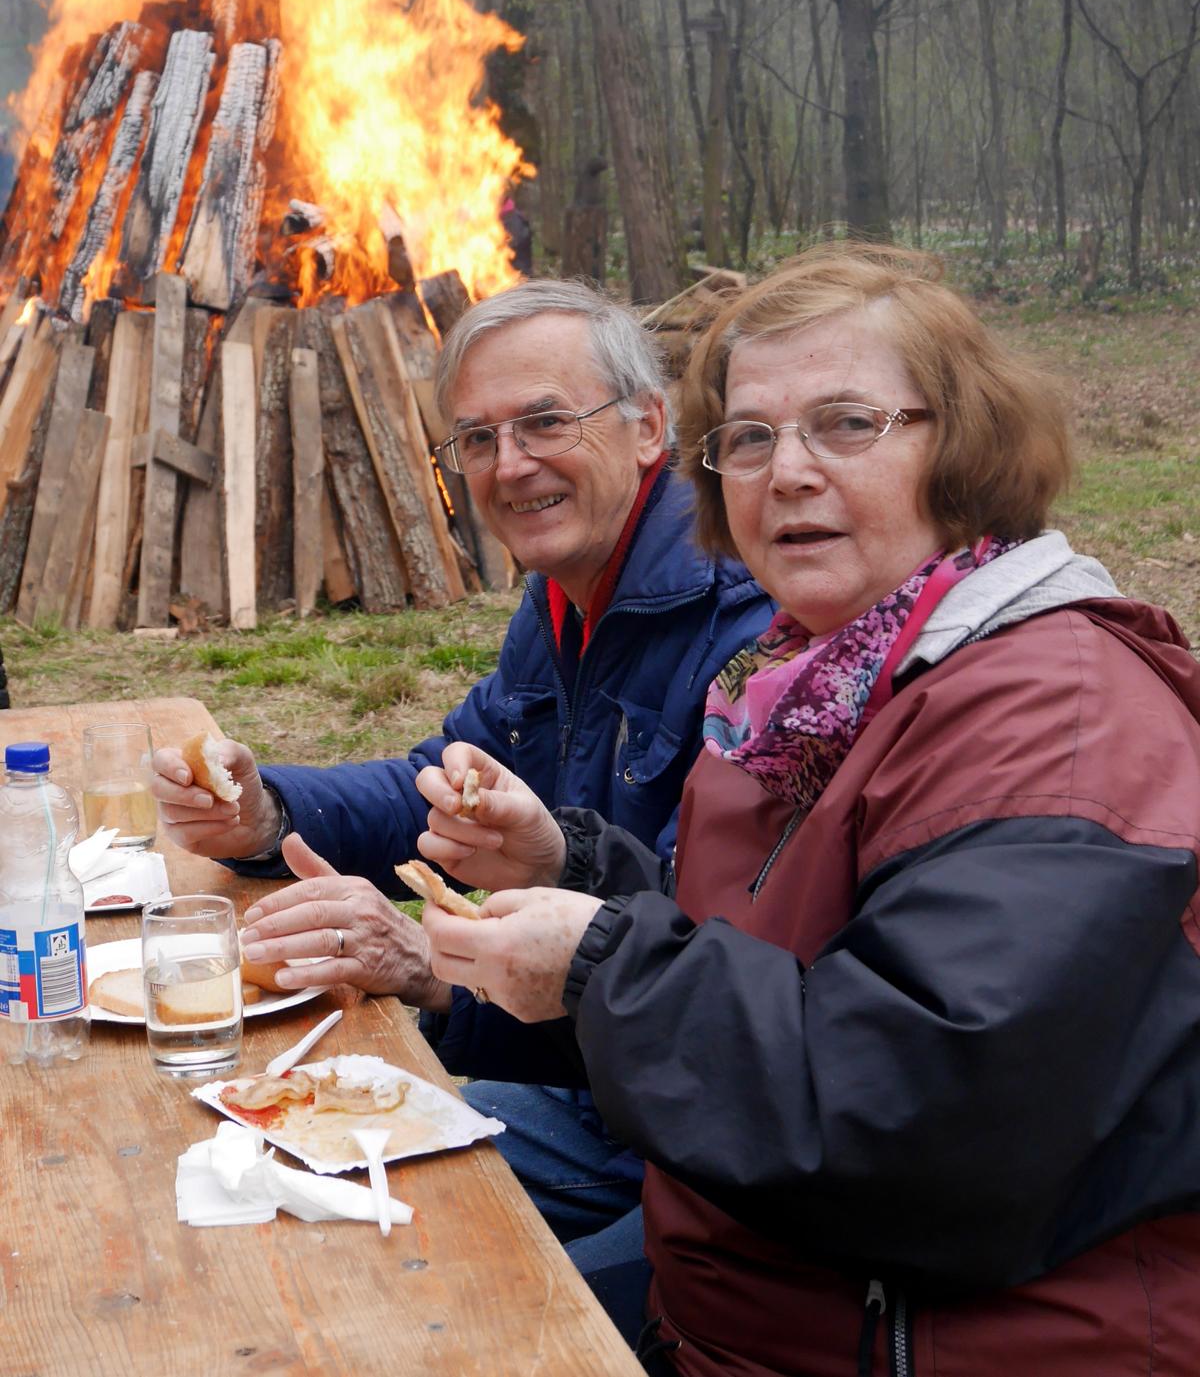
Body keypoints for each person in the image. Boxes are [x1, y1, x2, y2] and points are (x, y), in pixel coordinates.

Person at [412, 243, 1200, 1376]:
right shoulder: (800, 686)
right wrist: (571, 874)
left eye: (846, 423)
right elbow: (776, 950)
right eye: (749, 436)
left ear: (964, 447)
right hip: (749, 1306)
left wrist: (597, 963)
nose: (785, 471)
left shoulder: (1054, 720)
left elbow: (922, 1115)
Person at [151, 277, 770, 1323]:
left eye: (545, 421)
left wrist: (433, 968)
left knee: (422, 1300)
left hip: (702, 1151)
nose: (510, 463)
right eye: (477, 438)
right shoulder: (568, 593)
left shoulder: (745, 623)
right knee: (258, 1179)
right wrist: (267, 812)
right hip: (592, 1085)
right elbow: (441, 780)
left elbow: (712, 962)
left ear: (649, 426)